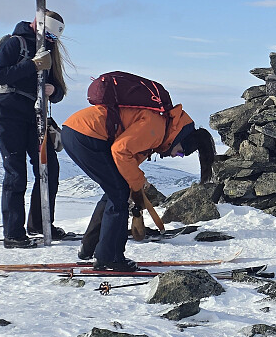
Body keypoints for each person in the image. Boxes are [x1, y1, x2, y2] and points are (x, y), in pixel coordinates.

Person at [61, 103, 216, 271]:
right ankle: (110, 258)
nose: (175, 156)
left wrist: (133, 184)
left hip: (77, 131)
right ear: (180, 139)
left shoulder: (161, 130)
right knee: (119, 194)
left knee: (116, 191)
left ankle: (88, 248)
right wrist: (138, 182)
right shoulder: (157, 129)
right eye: (180, 152)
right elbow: (120, 151)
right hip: (86, 134)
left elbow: (127, 162)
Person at [0, 10, 70, 249]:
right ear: (37, 24)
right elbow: (0, 76)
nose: (51, 41)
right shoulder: (14, 43)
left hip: (34, 116)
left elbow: (58, 90)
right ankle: (13, 233)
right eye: (49, 35)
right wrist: (32, 65)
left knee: (49, 167)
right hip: (8, 114)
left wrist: (53, 91)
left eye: (54, 38)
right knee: (16, 173)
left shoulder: (47, 52)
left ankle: (40, 223)